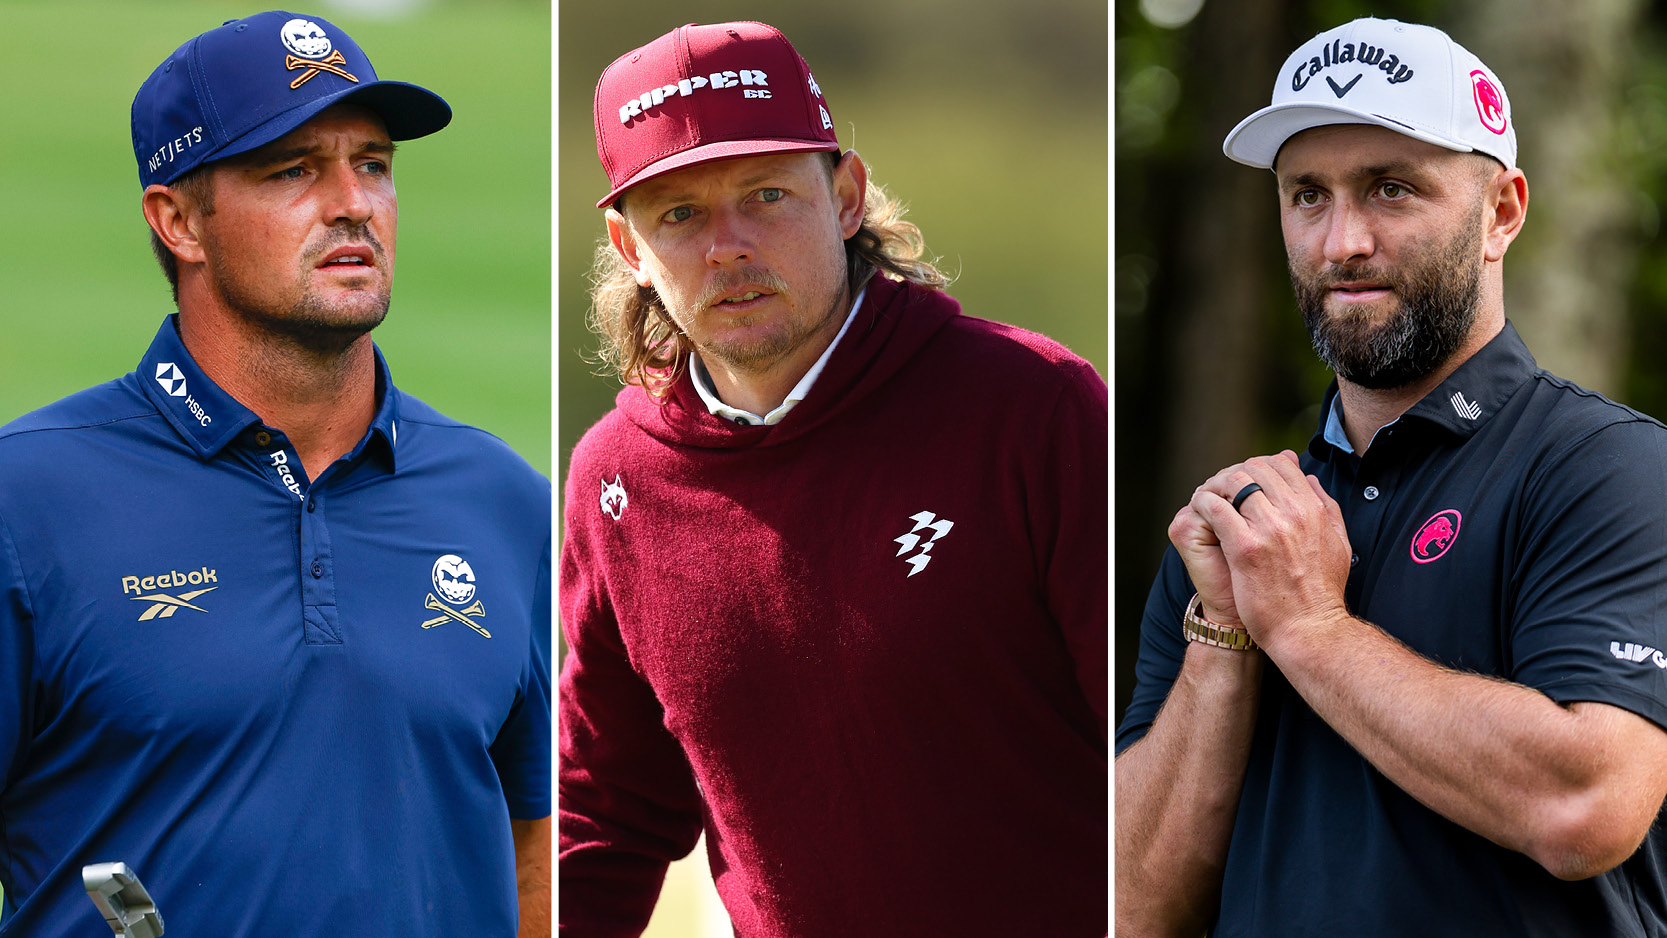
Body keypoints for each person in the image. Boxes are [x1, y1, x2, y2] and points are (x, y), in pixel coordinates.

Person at [0, 11, 550, 936]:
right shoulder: (29, 501)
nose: (353, 203)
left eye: (371, 163)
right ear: (178, 219)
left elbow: (529, 841)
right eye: (292, 169)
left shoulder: (502, 498)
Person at [1115, 16, 1667, 937]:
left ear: (1501, 213)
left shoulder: (1607, 468)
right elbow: (1130, 907)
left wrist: (1309, 628)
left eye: (1391, 189)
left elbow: (1588, 807)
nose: (1342, 243)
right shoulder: (1249, 524)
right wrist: (1224, 638)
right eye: (1306, 196)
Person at [558, 20, 1107, 938]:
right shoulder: (612, 479)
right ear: (627, 246)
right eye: (679, 214)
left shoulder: (1032, 409)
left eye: (766, 195)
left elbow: (1147, 739)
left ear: (845, 197)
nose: (727, 246)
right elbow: (606, 812)